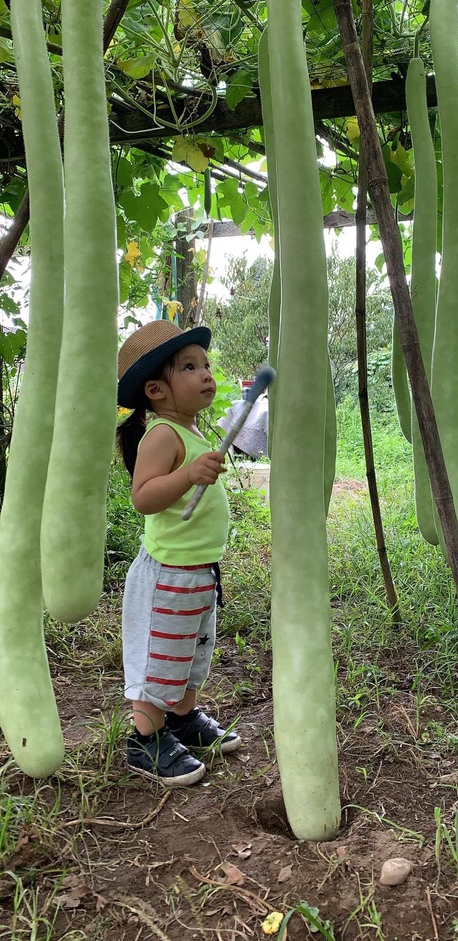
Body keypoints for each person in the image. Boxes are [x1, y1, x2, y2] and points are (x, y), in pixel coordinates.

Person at [116, 319, 241, 787]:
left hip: (197, 575)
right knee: (159, 659)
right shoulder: (163, 435)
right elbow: (144, 497)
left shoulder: (189, 432)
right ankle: (146, 739)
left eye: (206, 364)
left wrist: (194, 470)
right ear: (156, 389)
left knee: (190, 655)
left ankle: (183, 720)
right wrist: (188, 475)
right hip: (166, 575)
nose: (206, 373)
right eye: (190, 366)